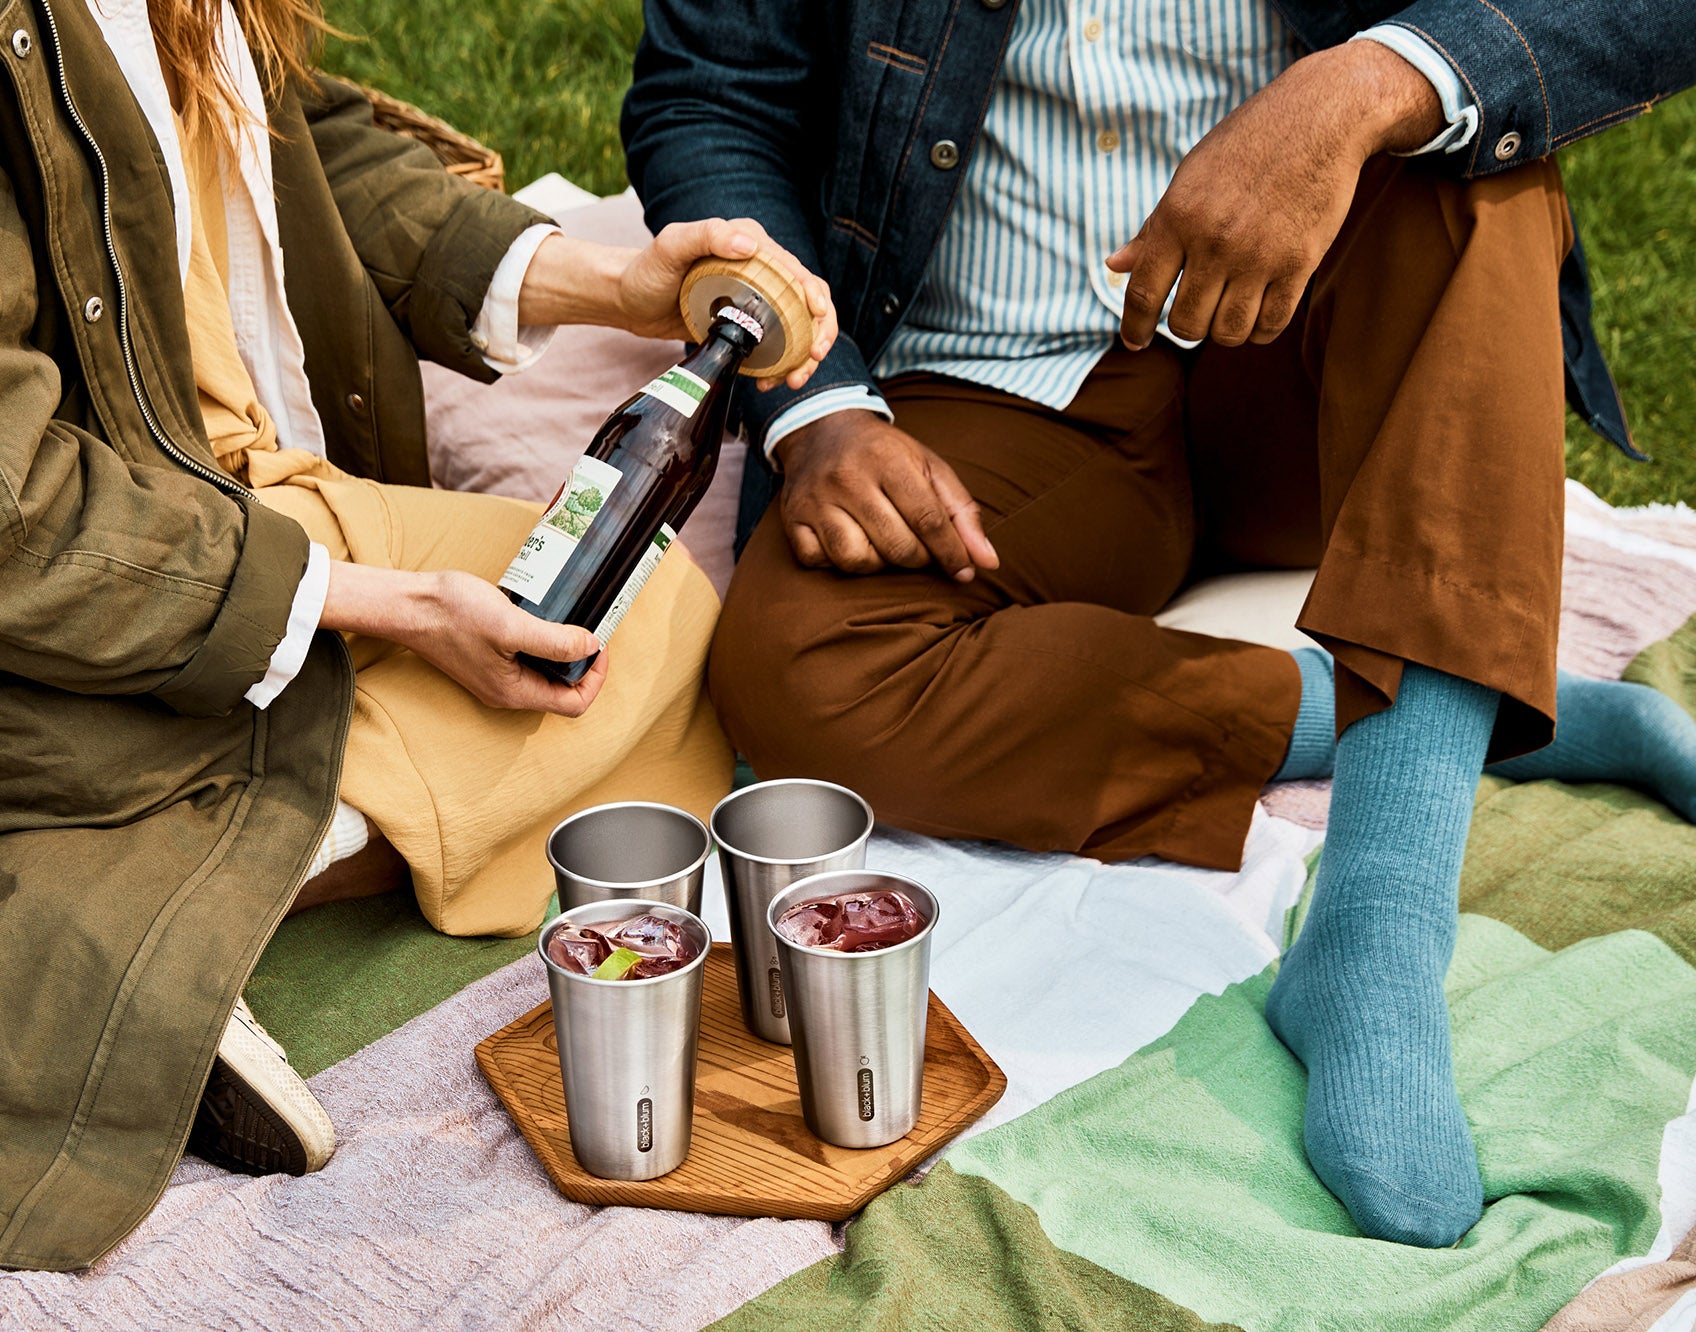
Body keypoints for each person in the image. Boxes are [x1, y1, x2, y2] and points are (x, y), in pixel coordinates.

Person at [0, 0, 833, 1269]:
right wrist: (395, 609)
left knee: (634, 615)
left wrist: (614, 280)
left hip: (209, 486)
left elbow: (289, 143)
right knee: (444, 682)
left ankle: (148, 897)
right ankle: (114, 964)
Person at [624, 0, 1696, 1247]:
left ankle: (1373, 938)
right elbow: (714, 95)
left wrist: (1363, 85)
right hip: (995, 372)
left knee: (1473, 184)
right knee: (801, 673)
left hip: (1316, 356)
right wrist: (815, 404)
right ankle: (1476, 703)